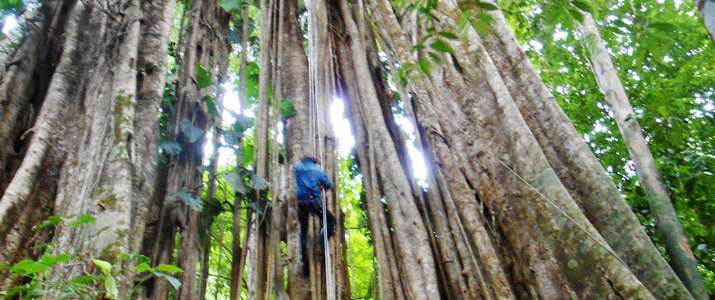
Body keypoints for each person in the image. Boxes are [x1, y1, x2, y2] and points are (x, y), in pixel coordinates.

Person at [294, 156, 336, 276]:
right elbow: (328, 185)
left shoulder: (297, 168)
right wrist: (321, 186)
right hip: (314, 201)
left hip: (301, 203)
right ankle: (321, 243)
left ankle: (305, 264)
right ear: (315, 161)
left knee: (303, 231)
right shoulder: (317, 170)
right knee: (331, 221)